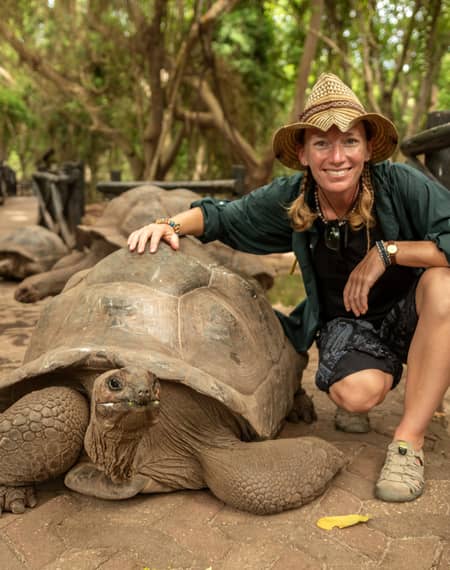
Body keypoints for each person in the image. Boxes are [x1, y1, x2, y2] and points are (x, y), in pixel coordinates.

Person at [128, 73, 450, 503]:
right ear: (303, 153)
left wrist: (388, 251)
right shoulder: (292, 199)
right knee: (358, 396)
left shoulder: (402, 184)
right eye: (322, 143)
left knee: (444, 285)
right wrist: (166, 225)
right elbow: (223, 216)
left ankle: (409, 443)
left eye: (349, 142)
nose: (337, 157)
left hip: (412, 311)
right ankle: (376, 372)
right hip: (349, 322)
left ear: (368, 146)